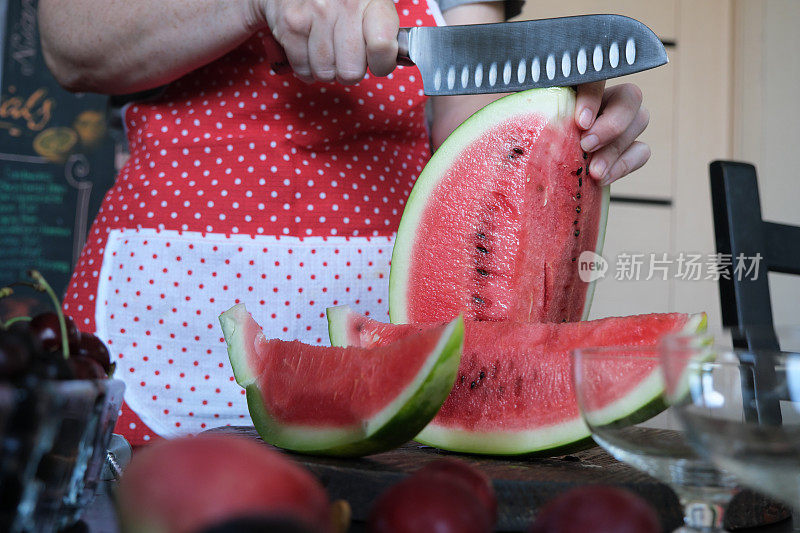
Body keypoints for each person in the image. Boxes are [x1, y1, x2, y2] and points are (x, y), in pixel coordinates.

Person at [39, 0, 651, 445]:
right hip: (164, 316)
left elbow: (471, 135)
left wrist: (563, 123)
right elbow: (72, 44)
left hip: (375, 335)